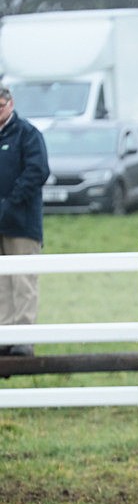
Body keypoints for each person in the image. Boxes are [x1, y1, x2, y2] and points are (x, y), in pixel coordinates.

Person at [0, 86, 49, 357]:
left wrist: (10, 203)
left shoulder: (27, 133)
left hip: (22, 223)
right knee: (2, 282)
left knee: (23, 280)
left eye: (1, 105)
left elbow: (37, 170)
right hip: (1, 220)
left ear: (10, 103)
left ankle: (24, 337)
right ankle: (5, 334)